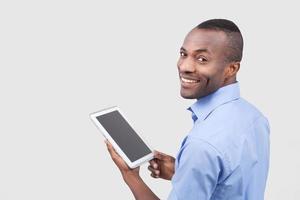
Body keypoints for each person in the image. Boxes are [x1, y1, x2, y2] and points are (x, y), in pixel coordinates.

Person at [105, 19, 270, 200]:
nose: (185, 67)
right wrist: (183, 172)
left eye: (202, 59)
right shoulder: (254, 117)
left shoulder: (201, 144)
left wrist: (130, 175)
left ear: (231, 68)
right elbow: (233, 185)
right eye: (184, 54)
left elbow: (208, 152)